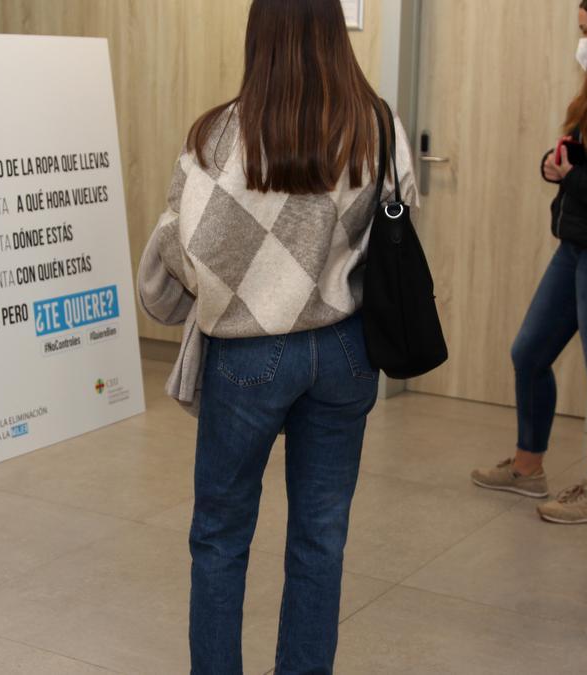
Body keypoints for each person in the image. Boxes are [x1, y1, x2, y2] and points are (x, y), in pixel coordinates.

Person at [137, 0, 418, 671]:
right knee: (320, 539)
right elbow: (400, 219)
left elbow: (186, 248)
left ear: (259, 36)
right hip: (348, 353)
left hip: (250, 355)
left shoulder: (221, 135)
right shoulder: (377, 125)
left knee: (220, 536)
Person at [471, 0, 587, 525]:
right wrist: (555, 165)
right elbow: (575, 157)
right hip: (574, 244)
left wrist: (572, 178)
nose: (581, 40)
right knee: (529, 352)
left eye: (586, 29)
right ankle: (529, 467)